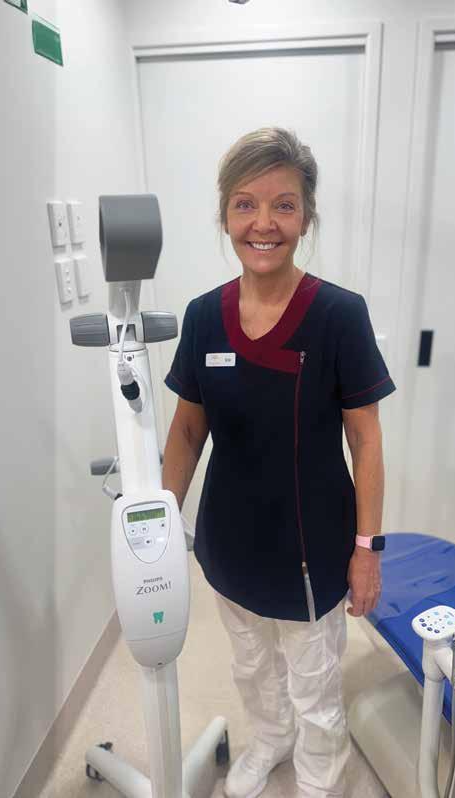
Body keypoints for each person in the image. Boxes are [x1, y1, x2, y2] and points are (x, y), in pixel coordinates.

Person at [162, 127, 395, 798]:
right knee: (251, 668)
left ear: (306, 216)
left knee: (314, 685)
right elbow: (186, 431)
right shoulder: (203, 317)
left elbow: (367, 441)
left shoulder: (339, 315)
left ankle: (320, 776)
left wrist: (367, 549)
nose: (263, 223)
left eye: (283, 205)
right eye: (245, 204)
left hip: (310, 552)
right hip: (230, 544)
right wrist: (159, 522)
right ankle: (270, 740)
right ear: (224, 216)